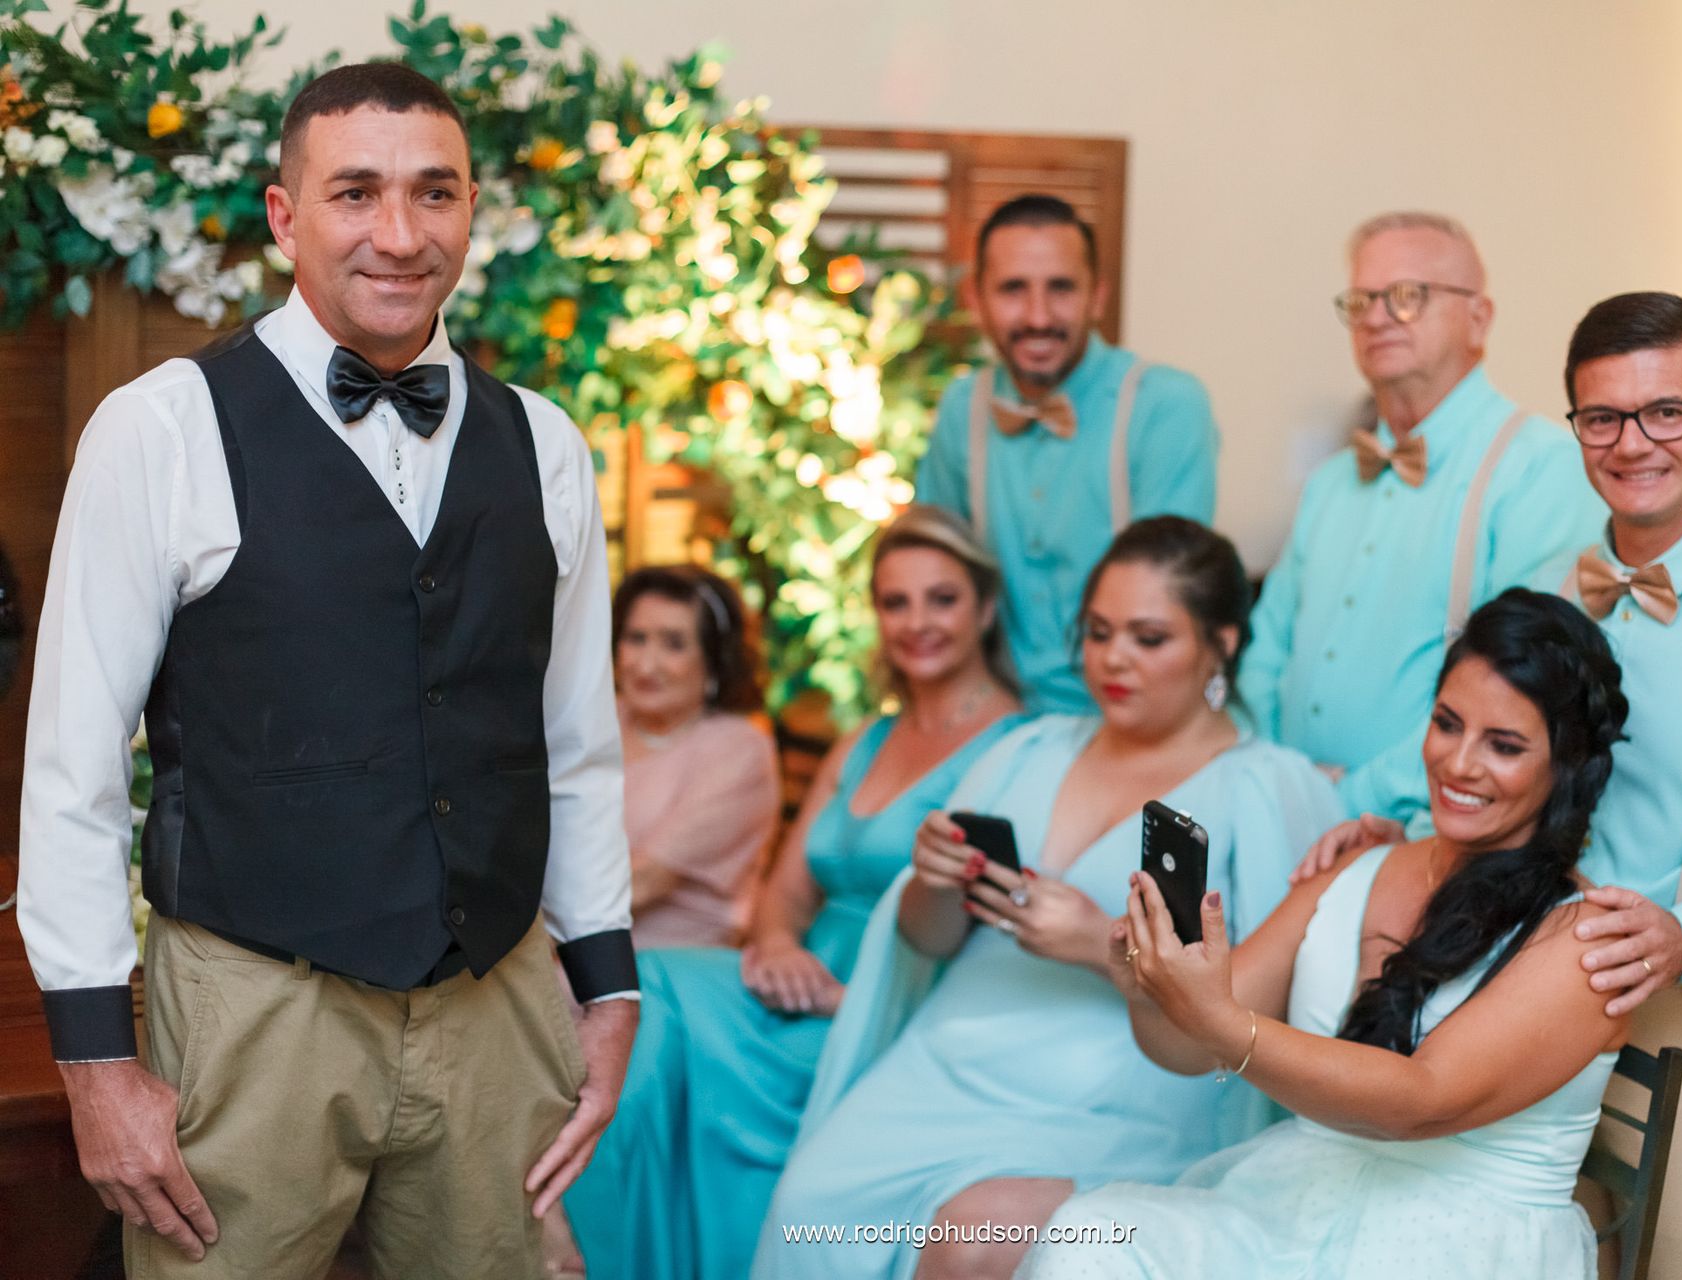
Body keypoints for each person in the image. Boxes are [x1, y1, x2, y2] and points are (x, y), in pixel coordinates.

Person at [16, 65, 638, 1279]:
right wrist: (96, 1060)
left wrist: (607, 985)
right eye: (355, 192)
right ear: (282, 215)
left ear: (472, 210)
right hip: (257, 1004)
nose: (400, 235)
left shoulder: (546, 443)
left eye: (434, 193)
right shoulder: (161, 429)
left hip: (497, 998)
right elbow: (72, 763)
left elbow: (577, 741)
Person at [1303, 293, 1682, 1278]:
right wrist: (1397, 827)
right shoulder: (1546, 585)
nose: (1633, 442)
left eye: (1666, 411)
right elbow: (1498, 761)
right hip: (1511, 973)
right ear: (1575, 424)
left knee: (1681, 1266)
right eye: (1602, 416)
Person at [753, 516, 1342, 1280]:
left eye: (1148, 638)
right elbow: (930, 942)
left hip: (1126, 1089)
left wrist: (1100, 941)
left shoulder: (1267, 788)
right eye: (1098, 633)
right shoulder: (1024, 749)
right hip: (947, 1058)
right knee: (809, 1208)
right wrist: (931, 883)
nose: (1113, 660)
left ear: (1220, 644)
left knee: (969, 1242)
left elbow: (1262, 1005)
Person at [1021, 589, 1632, 1279]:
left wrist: (1226, 1026)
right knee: (1086, 1237)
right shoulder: (1352, 867)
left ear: (1567, 766)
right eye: (1446, 723)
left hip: (1458, 1242)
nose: (1459, 764)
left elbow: (1419, 1101)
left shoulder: (1584, 939)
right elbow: (1188, 1049)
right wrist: (1148, 992)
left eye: (1504, 745)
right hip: (1295, 1203)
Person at [565, 506, 1025, 1280]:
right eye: (895, 601)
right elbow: (786, 892)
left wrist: (850, 991)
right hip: (794, 982)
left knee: (648, 1011)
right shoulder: (866, 738)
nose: (917, 622)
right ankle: (610, 1256)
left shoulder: (1018, 746)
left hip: (896, 1000)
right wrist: (776, 944)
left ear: (983, 608)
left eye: (941, 599)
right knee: (646, 994)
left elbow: (996, 931)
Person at [1238, 211, 1603, 821]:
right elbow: (1266, 649)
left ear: (1478, 319)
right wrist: (1282, 780)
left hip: (1429, 831)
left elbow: (1520, 692)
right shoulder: (1330, 482)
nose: (1378, 316)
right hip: (1284, 813)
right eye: (1362, 300)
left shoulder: (1543, 470)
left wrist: (1349, 798)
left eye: (1409, 297)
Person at [916, 194, 1219, 716]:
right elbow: (929, 573)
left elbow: (1165, 604)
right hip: (998, 718)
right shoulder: (963, 407)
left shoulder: (1166, 407)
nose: (1038, 316)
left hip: (1132, 723)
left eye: (1061, 288)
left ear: (1097, 297)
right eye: (1013, 289)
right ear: (977, 299)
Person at [611, 564, 780, 949]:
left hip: (664, 964)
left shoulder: (738, 749)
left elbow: (646, 882)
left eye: (673, 643)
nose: (645, 664)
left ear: (714, 662)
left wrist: (529, 948)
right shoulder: (598, 717)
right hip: (569, 947)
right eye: (636, 638)